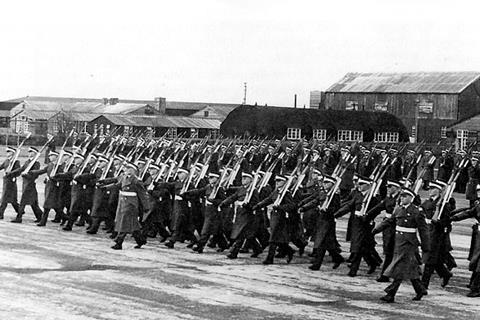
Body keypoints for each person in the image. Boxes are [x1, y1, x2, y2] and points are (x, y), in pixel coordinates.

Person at [373, 187, 430, 303]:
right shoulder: (398, 209)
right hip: (398, 242)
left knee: (399, 267)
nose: (402, 198)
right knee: (410, 269)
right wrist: (376, 230)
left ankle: (391, 293)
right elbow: (389, 221)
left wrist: (426, 247)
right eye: (401, 196)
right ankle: (419, 290)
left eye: (404, 196)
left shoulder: (416, 212)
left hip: (409, 244)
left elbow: (424, 231)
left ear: (411, 198)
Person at [334, 176, 381, 277]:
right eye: (359, 184)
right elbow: (349, 206)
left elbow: (377, 210)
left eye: (361, 184)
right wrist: (337, 214)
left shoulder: (373, 198)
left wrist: (368, 216)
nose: (359, 186)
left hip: (366, 225)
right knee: (360, 247)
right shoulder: (358, 196)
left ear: (368, 185)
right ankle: (372, 263)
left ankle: (353, 270)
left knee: (359, 247)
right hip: (356, 223)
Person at [300, 175, 344, 270]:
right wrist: (304, 208)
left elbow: (337, 209)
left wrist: (328, 210)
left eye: (327, 183)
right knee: (327, 244)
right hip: (321, 220)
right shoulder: (323, 193)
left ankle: (317, 264)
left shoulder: (335, 196)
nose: (324, 184)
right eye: (324, 182)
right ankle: (337, 258)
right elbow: (315, 202)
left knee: (321, 242)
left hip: (328, 221)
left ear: (332, 185)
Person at [100, 163, 147, 250]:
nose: (126, 170)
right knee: (133, 224)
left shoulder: (136, 181)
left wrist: (146, 207)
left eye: (129, 169)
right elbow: (117, 185)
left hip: (131, 204)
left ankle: (119, 242)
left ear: (133, 171)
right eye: (126, 168)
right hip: (122, 202)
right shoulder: (123, 177)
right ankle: (140, 240)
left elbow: (143, 194)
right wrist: (105, 187)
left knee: (124, 223)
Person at [253, 174, 297, 265]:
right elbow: (268, 199)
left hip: (281, 218)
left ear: (284, 182)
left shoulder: (286, 193)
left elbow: (291, 205)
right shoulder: (276, 191)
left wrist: (280, 207)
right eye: (276, 181)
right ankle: (289, 251)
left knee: (273, 238)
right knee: (277, 239)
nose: (277, 183)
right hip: (274, 217)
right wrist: (258, 205)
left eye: (279, 181)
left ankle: (270, 258)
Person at [366, 180, 402, 282]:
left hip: (397, 227)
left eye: (390, 187)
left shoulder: (400, 198)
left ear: (397, 188)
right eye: (388, 187)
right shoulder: (388, 198)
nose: (388, 188)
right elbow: (378, 208)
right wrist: (367, 215)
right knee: (389, 250)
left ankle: (385, 275)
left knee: (393, 251)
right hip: (388, 226)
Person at [420, 180, 453, 290]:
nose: (430, 190)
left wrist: (438, 222)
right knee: (436, 260)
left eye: (432, 189)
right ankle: (446, 274)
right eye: (429, 188)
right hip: (428, 232)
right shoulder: (427, 202)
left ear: (438, 190)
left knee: (429, 260)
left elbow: (447, 221)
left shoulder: (444, 204)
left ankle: (423, 285)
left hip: (437, 235)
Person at [220, 172, 261, 259]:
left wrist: (248, 205)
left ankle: (233, 252)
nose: (243, 180)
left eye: (246, 178)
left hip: (248, 215)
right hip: (240, 214)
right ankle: (257, 249)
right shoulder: (241, 189)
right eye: (243, 178)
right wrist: (224, 203)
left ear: (250, 180)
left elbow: (255, 204)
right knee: (248, 235)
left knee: (240, 234)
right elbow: (233, 197)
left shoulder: (253, 190)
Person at [449, 184, 480, 297]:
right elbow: (469, 212)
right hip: (478, 236)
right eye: (478, 191)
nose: (478, 193)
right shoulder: (478, 204)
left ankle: (476, 288)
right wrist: (453, 218)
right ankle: (474, 284)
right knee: (475, 259)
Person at [10, 147, 43, 223]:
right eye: (29, 152)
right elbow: (21, 169)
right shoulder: (27, 162)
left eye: (31, 152)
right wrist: (11, 173)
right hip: (25, 184)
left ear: (35, 153)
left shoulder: (36, 163)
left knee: (23, 202)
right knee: (33, 203)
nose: (29, 153)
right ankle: (40, 216)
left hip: (30, 185)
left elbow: (35, 175)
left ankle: (19, 217)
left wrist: (26, 175)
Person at [0, 146, 21, 219]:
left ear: (12, 153)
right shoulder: (7, 161)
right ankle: (20, 211)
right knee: (12, 200)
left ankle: (0, 214)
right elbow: (1, 167)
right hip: (6, 182)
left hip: (11, 182)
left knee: (4, 199)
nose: (7, 153)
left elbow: (18, 171)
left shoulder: (16, 161)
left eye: (8, 151)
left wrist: (11, 173)